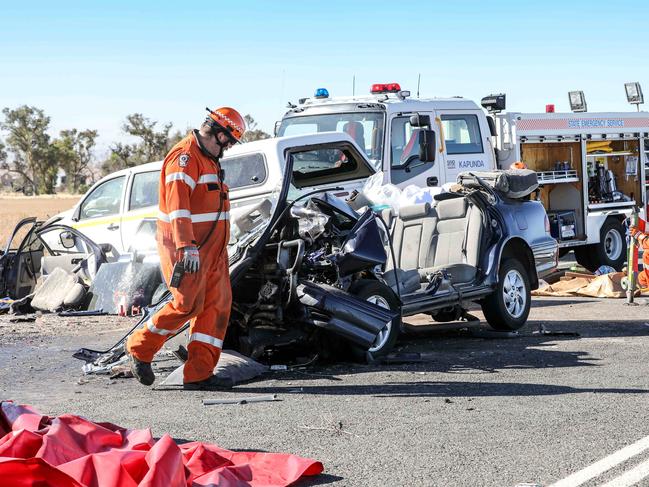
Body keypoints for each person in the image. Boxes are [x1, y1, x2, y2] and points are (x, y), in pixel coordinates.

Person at [126, 106, 246, 390]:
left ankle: (199, 373)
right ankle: (139, 347)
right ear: (218, 133)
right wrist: (186, 246)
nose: (229, 147)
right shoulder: (184, 158)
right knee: (187, 304)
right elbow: (179, 208)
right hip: (187, 250)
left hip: (214, 252)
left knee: (216, 307)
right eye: (229, 140)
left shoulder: (209, 159)